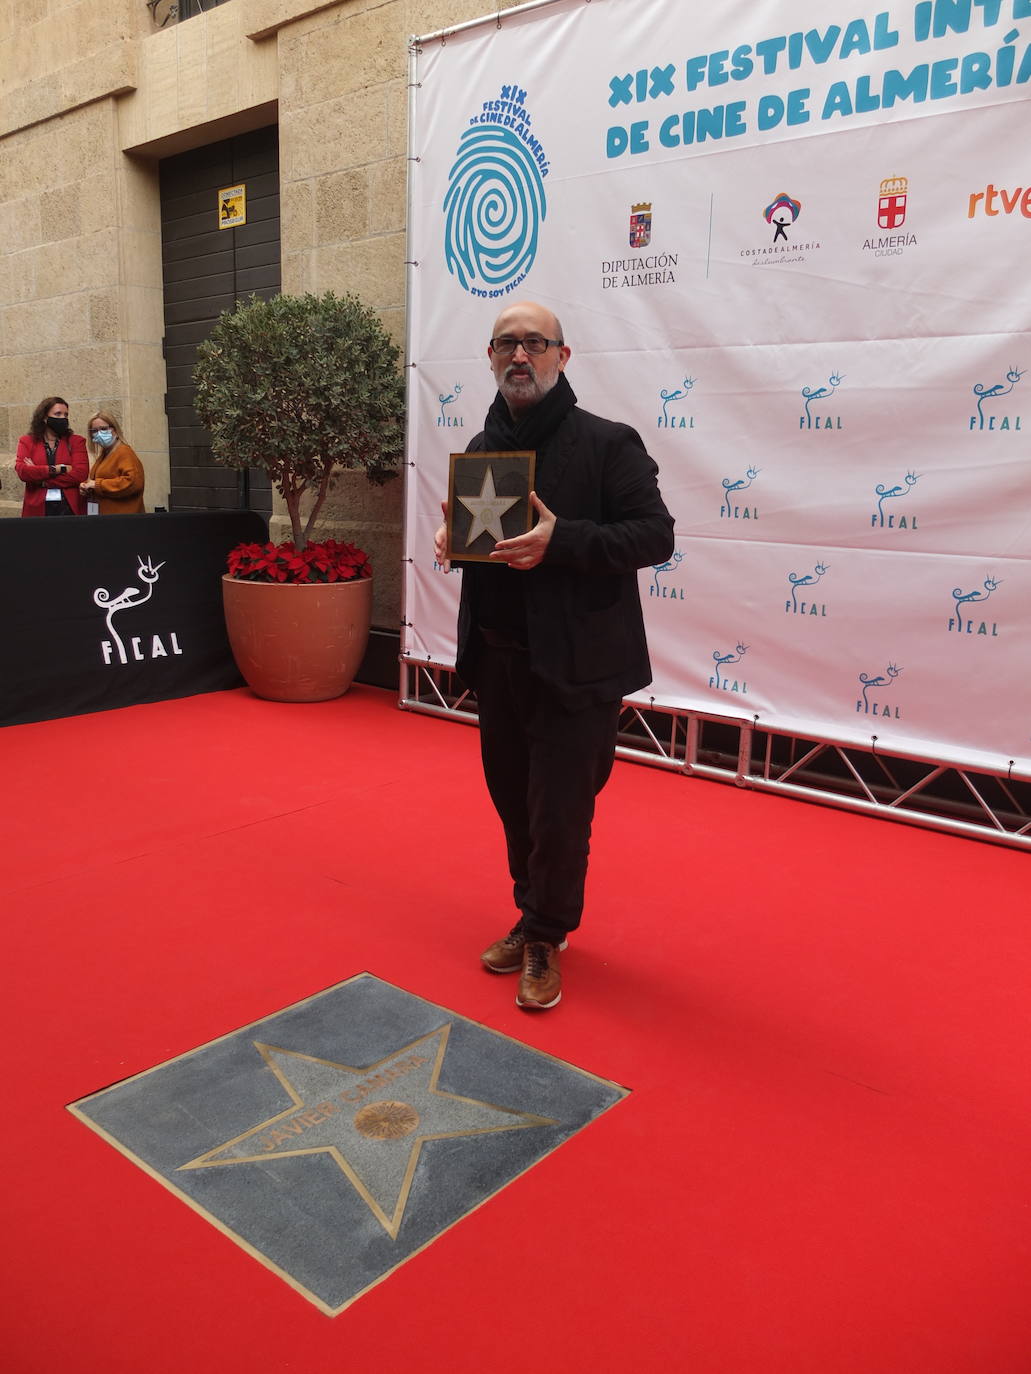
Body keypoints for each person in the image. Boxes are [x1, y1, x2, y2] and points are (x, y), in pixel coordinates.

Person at [434, 301, 674, 1010]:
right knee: (512, 801)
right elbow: (488, 547)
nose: (519, 355)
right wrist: (458, 550)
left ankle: (544, 932)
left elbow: (652, 536)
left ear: (561, 357)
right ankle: (529, 908)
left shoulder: (608, 443)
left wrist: (560, 541)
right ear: (488, 356)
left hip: (577, 668)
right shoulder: (481, 450)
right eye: (506, 343)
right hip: (498, 660)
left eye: (535, 344)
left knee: (560, 812)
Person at [15, 396, 88, 517]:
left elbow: (80, 474)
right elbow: (24, 472)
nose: (63, 418)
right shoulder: (27, 441)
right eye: (58, 414)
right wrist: (60, 468)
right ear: (44, 417)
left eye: (66, 415)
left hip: (69, 507)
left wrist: (42, 481)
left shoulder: (76, 441)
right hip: (37, 508)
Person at [81, 412, 146, 514]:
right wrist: (87, 486)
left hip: (122, 519)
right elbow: (101, 479)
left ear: (115, 430)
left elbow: (133, 482)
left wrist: (97, 485)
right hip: (107, 518)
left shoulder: (124, 452)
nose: (99, 433)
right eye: (94, 431)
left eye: (103, 429)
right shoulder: (105, 454)